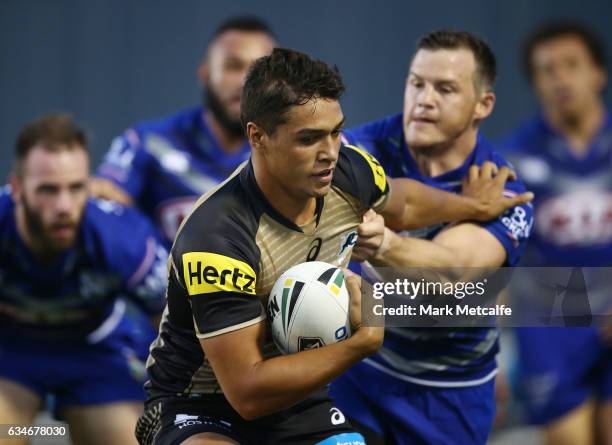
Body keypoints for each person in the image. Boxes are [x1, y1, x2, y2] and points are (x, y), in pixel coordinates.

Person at [135, 47, 532, 445]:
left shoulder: (346, 171)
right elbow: (247, 392)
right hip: (197, 405)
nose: (329, 152)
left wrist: (472, 205)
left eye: (336, 131)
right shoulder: (217, 237)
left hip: (295, 401)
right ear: (258, 137)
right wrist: (363, 341)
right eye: (308, 139)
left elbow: (405, 202)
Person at [330, 30, 534, 445]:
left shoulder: (506, 191)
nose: (424, 99)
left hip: (450, 393)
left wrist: (383, 243)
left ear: (483, 105)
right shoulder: (359, 147)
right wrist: (463, 208)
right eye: (416, 83)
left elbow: (454, 276)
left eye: (445, 89)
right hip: (356, 373)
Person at [0, 114, 168, 445]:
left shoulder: (123, 238)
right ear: (16, 188)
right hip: (10, 352)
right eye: (48, 189)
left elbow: (171, 322)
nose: (64, 206)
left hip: (95, 351)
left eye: (76, 188)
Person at [499, 21, 612, 445]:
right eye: (547, 69)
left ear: (598, 73)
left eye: (571, 65)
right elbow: (497, 264)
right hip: (551, 329)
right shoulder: (512, 161)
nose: (560, 78)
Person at [92, 16, 277, 244]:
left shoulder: (293, 147)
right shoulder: (150, 142)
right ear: (206, 74)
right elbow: (101, 199)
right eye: (233, 66)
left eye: (258, 70)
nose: (245, 81)